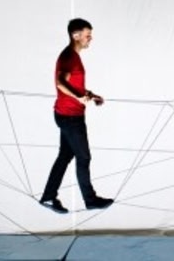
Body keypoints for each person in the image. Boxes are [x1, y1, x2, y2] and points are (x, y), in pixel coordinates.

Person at [39, 18, 114, 213]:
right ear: (76, 35)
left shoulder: (74, 56)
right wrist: (79, 97)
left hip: (67, 115)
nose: (91, 39)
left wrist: (91, 95)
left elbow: (74, 85)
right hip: (70, 117)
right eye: (88, 35)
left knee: (65, 156)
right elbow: (60, 82)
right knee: (84, 157)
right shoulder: (69, 57)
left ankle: (48, 197)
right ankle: (90, 199)